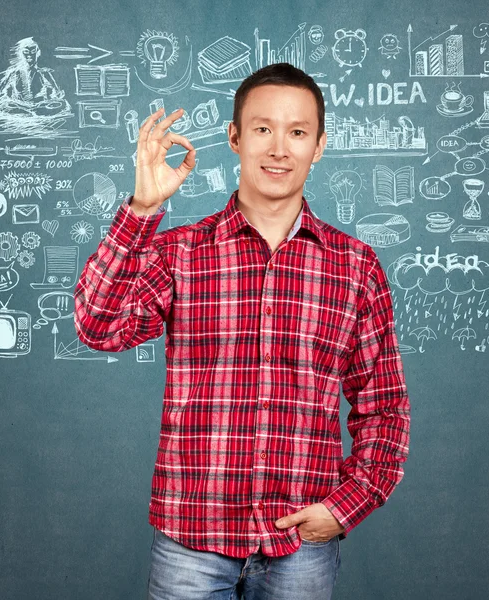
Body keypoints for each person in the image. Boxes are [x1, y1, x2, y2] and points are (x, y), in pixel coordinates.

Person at [74, 62, 411, 600]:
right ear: (234, 138)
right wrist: (143, 209)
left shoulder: (356, 266)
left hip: (302, 547)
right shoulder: (179, 252)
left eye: (297, 132)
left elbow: (385, 406)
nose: (279, 148)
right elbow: (98, 326)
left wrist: (345, 508)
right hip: (191, 542)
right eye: (262, 129)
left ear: (319, 146)